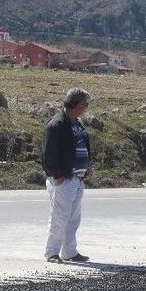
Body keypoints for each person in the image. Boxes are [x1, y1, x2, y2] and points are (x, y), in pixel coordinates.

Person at [41, 88, 92, 263]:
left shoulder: (77, 124)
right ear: (77, 104)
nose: (86, 107)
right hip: (64, 179)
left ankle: (70, 251)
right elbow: (49, 153)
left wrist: (86, 169)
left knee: (73, 218)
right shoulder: (57, 125)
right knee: (59, 217)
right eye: (85, 104)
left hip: (77, 179)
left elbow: (83, 148)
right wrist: (57, 175)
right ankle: (52, 252)